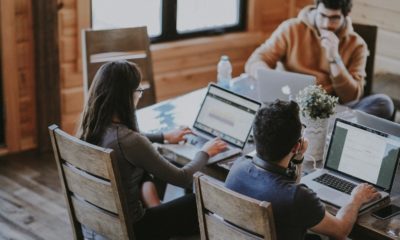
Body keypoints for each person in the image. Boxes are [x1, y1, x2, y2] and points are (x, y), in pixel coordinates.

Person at [77, 60, 227, 240]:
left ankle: (157, 208)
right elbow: (182, 178)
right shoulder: (130, 141)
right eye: (138, 91)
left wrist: (163, 136)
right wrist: (205, 152)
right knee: (198, 201)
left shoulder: (91, 128)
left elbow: (128, 143)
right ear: (126, 96)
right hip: (133, 230)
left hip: (95, 225)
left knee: (144, 173)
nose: (140, 96)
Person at [225, 100, 380, 240]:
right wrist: (356, 199)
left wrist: (297, 158)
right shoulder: (297, 197)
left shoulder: (237, 168)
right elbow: (340, 230)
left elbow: (288, 184)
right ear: (296, 146)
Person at [245, 0, 394, 120]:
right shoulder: (290, 29)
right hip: (289, 103)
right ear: (316, 8)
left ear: (345, 16)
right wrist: (269, 80)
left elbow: (351, 97)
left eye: (334, 18)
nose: (326, 24)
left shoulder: (357, 45)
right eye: (322, 15)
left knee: (384, 103)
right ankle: (327, 129)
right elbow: (256, 60)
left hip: (330, 110)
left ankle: (328, 128)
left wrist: (334, 58)